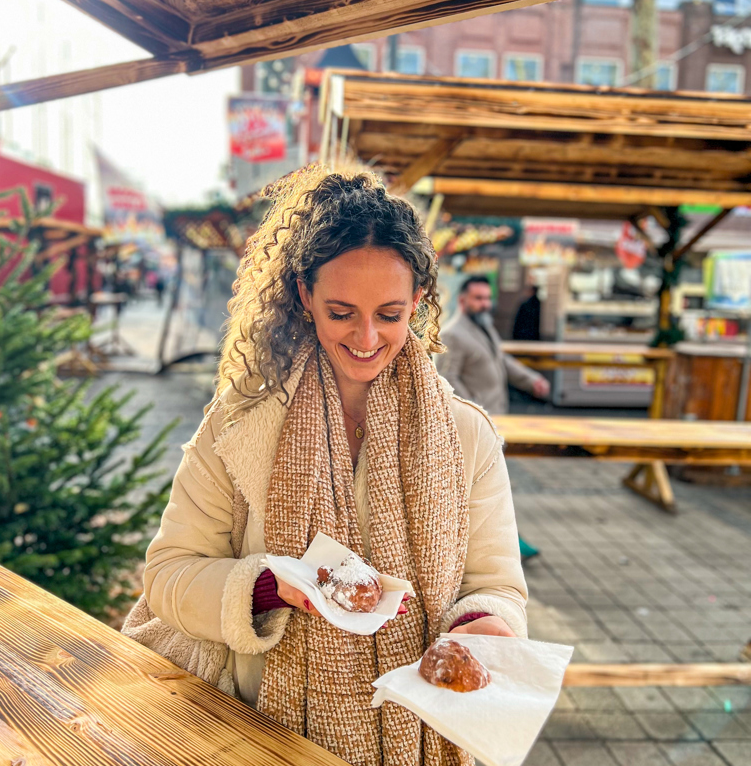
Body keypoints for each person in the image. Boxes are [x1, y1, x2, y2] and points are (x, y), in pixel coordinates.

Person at [132, 167, 527, 766]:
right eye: (342, 311)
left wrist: (483, 623)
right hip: (259, 727)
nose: (367, 337)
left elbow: (497, 586)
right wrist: (267, 586)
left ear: (418, 301)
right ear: (303, 294)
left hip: (421, 731)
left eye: (390, 314)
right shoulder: (239, 424)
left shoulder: (466, 433)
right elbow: (166, 576)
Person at [436, 276, 550, 415]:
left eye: (487, 298)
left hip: (496, 416)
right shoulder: (451, 334)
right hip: (477, 424)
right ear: (462, 300)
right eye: (478, 298)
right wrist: (474, 412)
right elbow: (447, 381)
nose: (485, 304)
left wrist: (532, 380)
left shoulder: (485, 326)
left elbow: (500, 359)